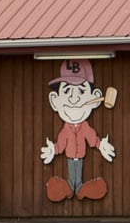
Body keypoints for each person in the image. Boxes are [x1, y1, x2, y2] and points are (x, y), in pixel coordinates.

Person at [40, 59, 116, 201]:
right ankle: (70, 187)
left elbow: (92, 138)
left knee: (78, 173)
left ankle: (79, 188)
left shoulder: (85, 127)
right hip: (70, 156)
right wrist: (53, 150)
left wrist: (101, 145)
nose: (74, 99)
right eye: (67, 90)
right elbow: (61, 143)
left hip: (80, 156)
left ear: (95, 98)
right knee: (72, 173)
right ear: (55, 100)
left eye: (81, 90)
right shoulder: (66, 129)